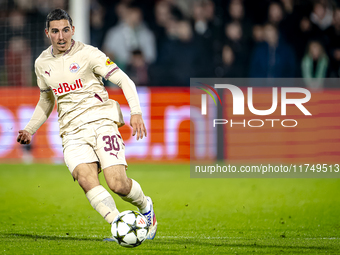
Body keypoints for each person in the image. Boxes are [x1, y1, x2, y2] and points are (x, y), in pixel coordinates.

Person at [16, 9, 157, 240]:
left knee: (117, 183)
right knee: (85, 179)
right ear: (47, 33)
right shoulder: (42, 63)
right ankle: (119, 225)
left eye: (65, 30)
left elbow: (124, 79)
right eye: (55, 31)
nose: (61, 37)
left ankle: (145, 206)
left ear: (72, 30)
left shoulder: (90, 54)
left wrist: (136, 112)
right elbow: (46, 99)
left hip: (101, 123)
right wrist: (30, 129)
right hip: (71, 131)